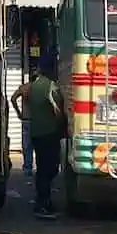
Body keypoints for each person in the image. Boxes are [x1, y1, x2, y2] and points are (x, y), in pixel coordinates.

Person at [27, 50, 64, 219]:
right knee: (50, 169)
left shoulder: (32, 85)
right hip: (50, 134)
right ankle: (42, 204)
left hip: (36, 133)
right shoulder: (51, 86)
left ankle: (43, 202)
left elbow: (19, 99)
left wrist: (23, 115)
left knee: (42, 169)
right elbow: (58, 112)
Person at [10, 71, 34, 176]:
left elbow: (13, 98)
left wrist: (19, 112)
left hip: (26, 119)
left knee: (27, 145)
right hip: (37, 120)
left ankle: (27, 168)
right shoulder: (39, 89)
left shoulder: (24, 88)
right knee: (39, 144)